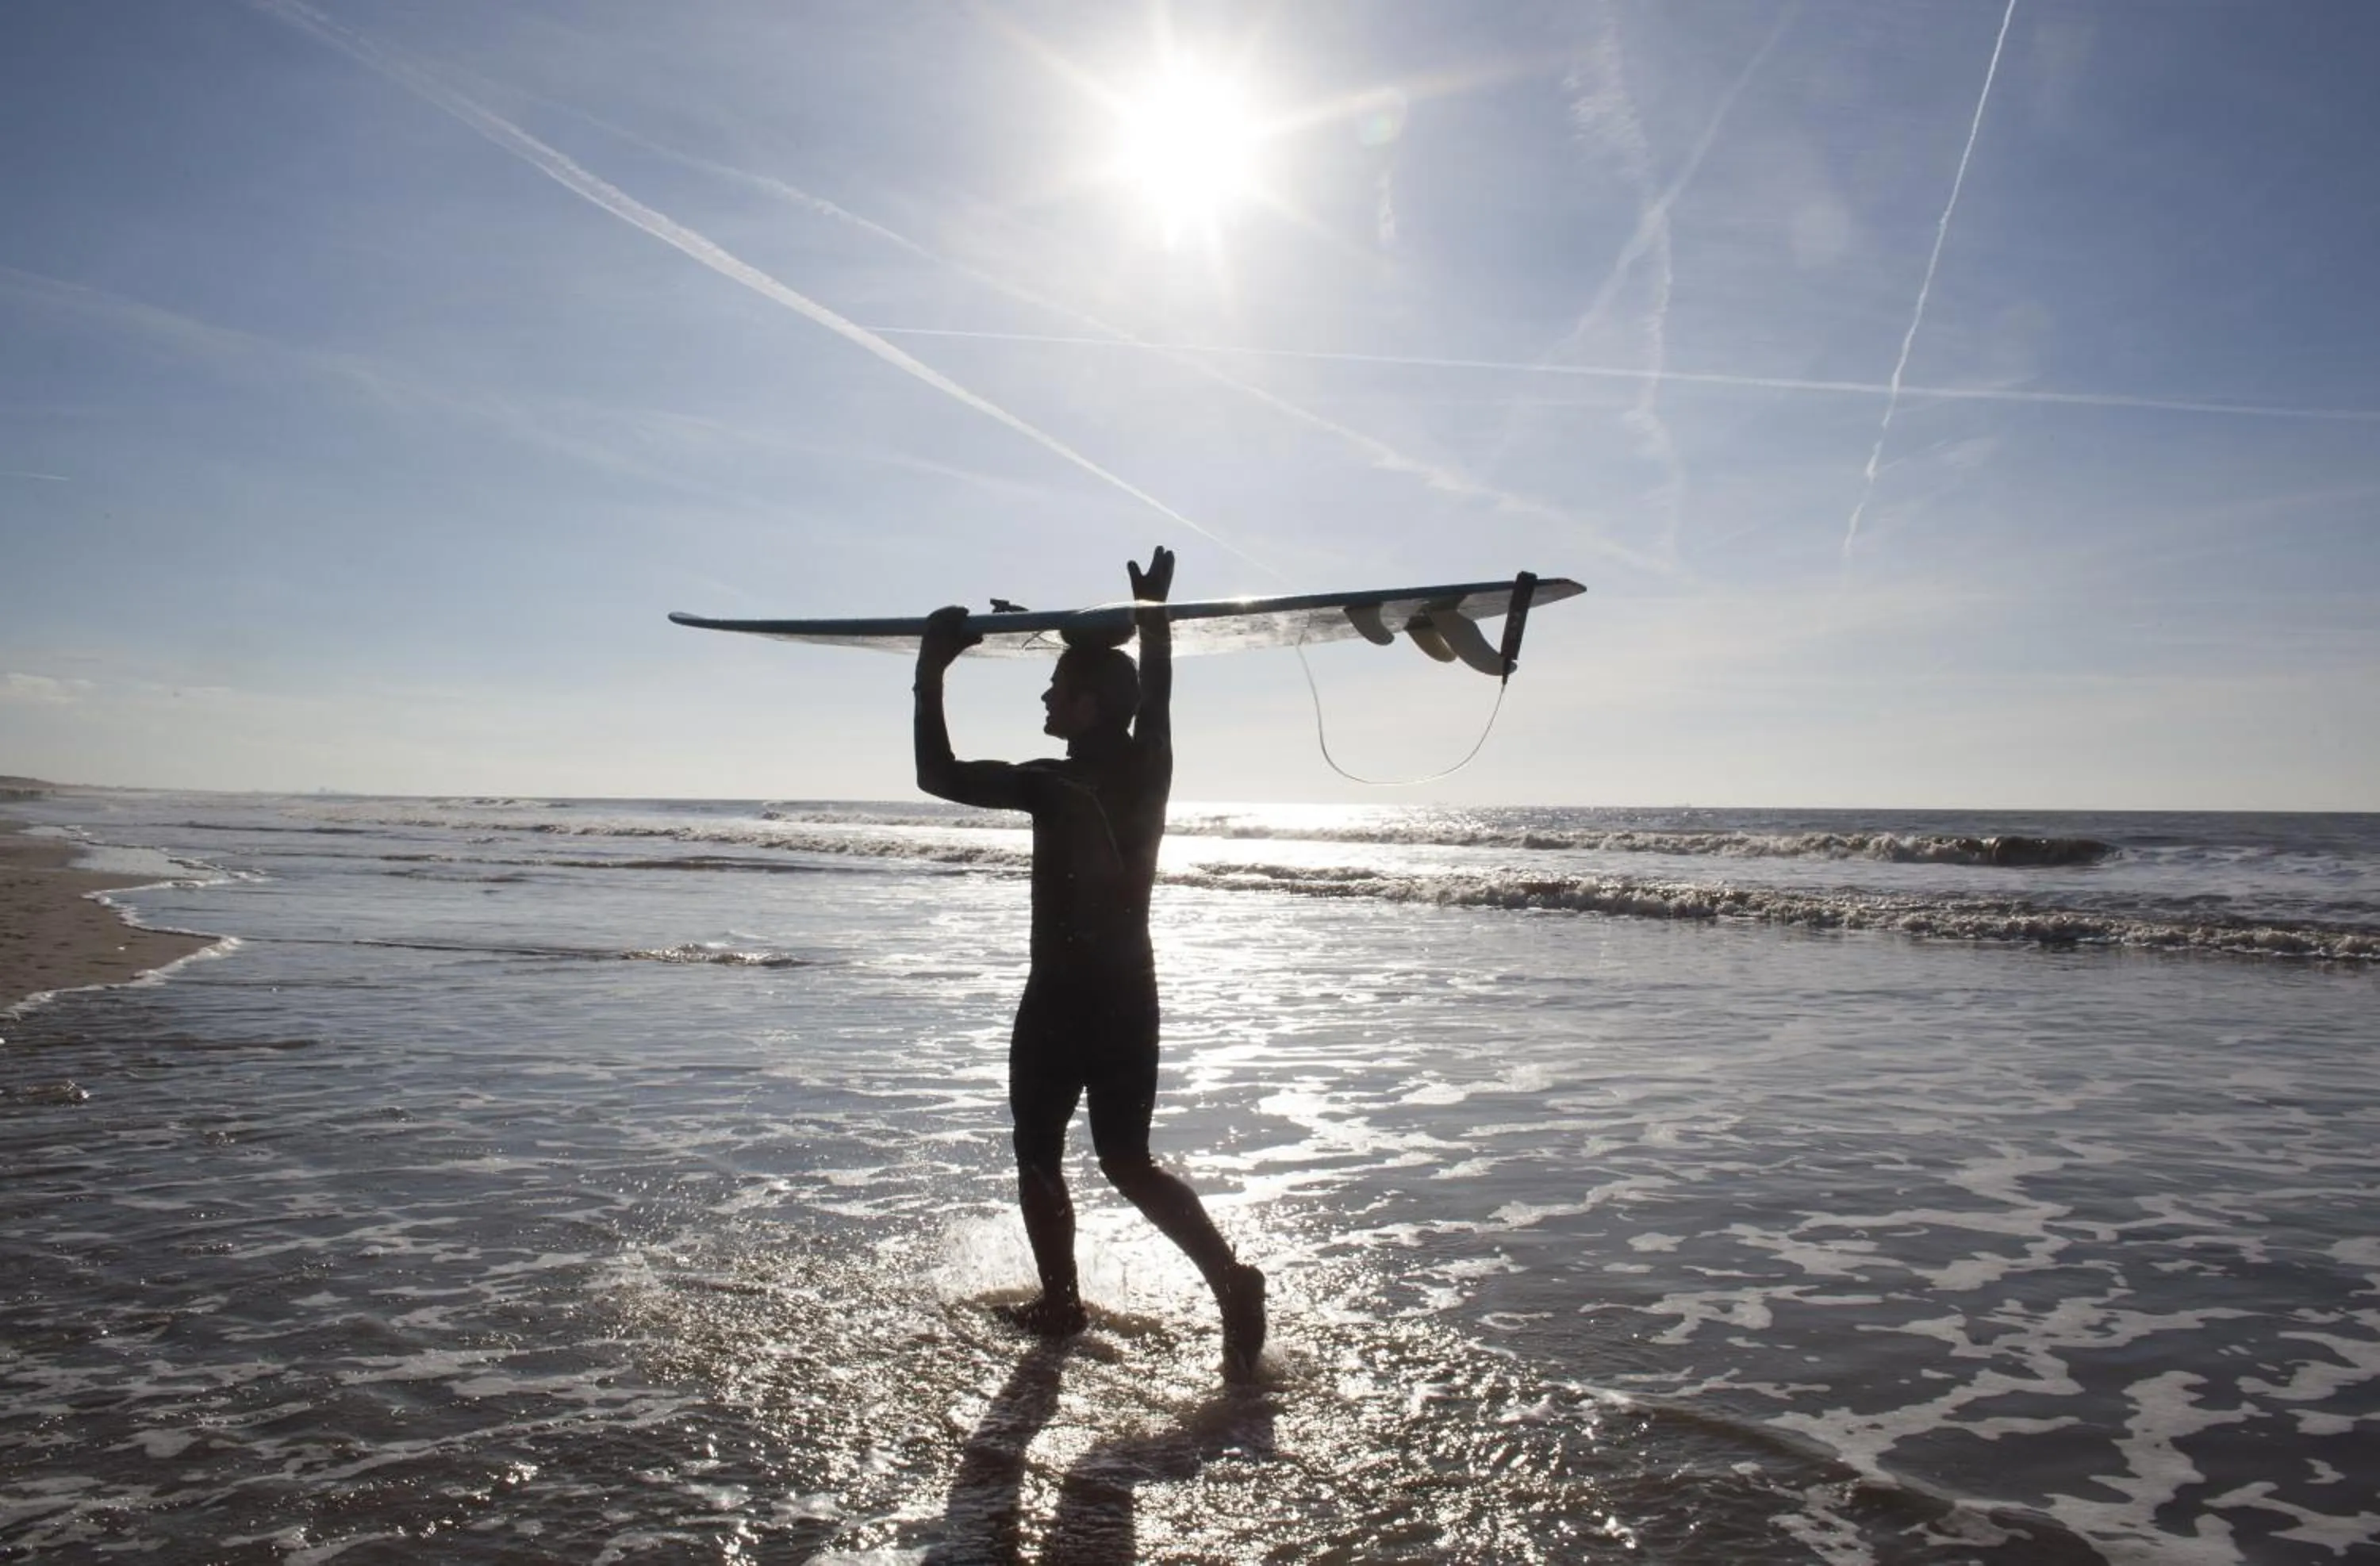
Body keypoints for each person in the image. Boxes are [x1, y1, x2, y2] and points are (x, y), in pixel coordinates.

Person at [913, 545, 1267, 1381]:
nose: (1044, 695)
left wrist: (932, 670)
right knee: (1126, 1158)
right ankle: (1229, 1279)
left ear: (1088, 703)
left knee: (1038, 1149)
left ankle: (1061, 1302)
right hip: (1131, 992)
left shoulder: (1051, 784)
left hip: (1063, 995)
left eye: (1056, 687)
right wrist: (1152, 616)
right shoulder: (1153, 765)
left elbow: (936, 774)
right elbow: (1160, 695)